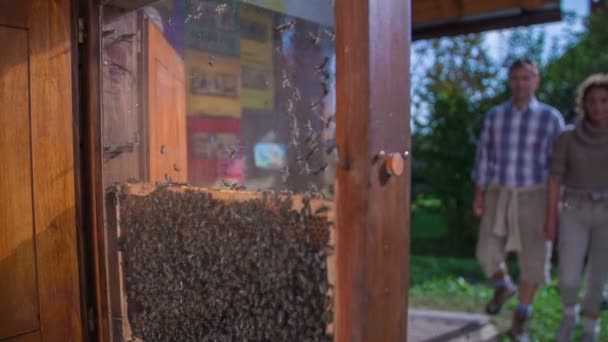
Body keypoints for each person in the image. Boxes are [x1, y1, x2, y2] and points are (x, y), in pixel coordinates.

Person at [472, 57, 565, 341]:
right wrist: (479, 193)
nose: (520, 84)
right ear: (509, 82)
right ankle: (503, 286)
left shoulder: (551, 118)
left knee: (534, 261)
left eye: (527, 78)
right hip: (499, 194)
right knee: (486, 252)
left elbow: (557, 169)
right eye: (515, 78)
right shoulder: (495, 116)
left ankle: (521, 317)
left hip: (535, 196)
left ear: (536, 81)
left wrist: (553, 211)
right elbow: (484, 158)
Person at [548, 74, 608, 342]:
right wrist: (551, 219)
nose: (598, 107)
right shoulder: (568, 137)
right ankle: (569, 313)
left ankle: (591, 327)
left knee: (598, 275)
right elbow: (555, 178)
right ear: (583, 104)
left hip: (606, 212)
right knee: (568, 276)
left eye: (604, 101)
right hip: (574, 209)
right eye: (592, 101)